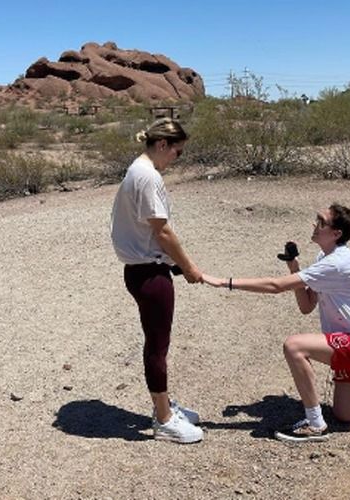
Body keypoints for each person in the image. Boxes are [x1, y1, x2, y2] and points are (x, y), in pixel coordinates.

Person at [203, 203, 350, 443]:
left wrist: (223, 282)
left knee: (294, 346)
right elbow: (307, 305)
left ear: (336, 234)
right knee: (345, 413)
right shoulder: (325, 257)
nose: (315, 225)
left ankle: (315, 423)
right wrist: (294, 265)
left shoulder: (338, 262)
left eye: (321, 222)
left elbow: (275, 286)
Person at [110, 118, 204, 444]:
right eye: (177, 152)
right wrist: (189, 267)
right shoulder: (148, 176)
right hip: (148, 272)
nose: (176, 159)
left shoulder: (138, 169)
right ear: (162, 145)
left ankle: (163, 404)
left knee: (157, 343)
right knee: (157, 346)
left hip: (144, 268)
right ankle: (163, 419)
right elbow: (161, 230)